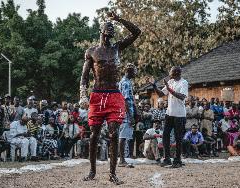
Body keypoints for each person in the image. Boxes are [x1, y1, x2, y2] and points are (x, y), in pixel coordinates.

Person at [79, 11, 141, 184]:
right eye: (107, 32)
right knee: (94, 135)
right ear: (101, 32)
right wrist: (82, 94)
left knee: (114, 134)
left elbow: (137, 32)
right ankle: (92, 171)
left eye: (112, 33)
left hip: (114, 95)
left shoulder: (117, 48)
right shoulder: (91, 52)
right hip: (97, 95)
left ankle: (113, 173)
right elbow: (84, 76)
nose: (109, 36)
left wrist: (119, 19)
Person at [150, 66, 188, 168]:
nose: (169, 74)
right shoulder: (170, 82)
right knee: (165, 136)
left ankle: (178, 160)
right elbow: (161, 94)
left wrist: (169, 89)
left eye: (170, 72)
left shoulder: (184, 83)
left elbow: (182, 96)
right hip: (169, 114)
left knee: (178, 138)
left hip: (179, 115)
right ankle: (167, 159)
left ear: (176, 72)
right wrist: (154, 85)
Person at [118, 63, 137, 167]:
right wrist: (130, 116)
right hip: (125, 113)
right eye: (134, 72)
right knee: (123, 136)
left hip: (128, 111)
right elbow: (125, 100)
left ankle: (123, 158)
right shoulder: (125, 83)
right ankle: (121, 160)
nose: (135, 74)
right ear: (129, 71)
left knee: (125, 135)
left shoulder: (128, 81)